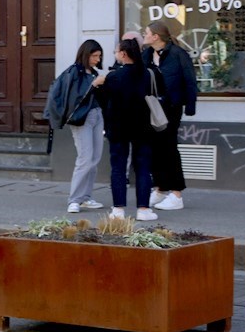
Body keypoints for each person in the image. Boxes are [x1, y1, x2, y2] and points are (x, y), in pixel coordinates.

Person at [97, 38, 158, 221]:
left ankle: (118, 210)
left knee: (118, 168)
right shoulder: (148, 73)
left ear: (123, 54)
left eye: (116, 51)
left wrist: (97, 86)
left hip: (118, 127)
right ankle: (143, 209)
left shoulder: (114, 76)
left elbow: (104, 102)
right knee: (143, 168)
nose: (115, 54)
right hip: (143, 126)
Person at [42, 39, 105, 214]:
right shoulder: (74, 72)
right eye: (94, 56)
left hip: (96, 116)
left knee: (94, 158)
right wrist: (94, 85)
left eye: (99, 56)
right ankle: (75, 199)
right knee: (85, 158)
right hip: (80, 119)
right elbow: (73, 98)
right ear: (86, 55)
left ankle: (86, 197)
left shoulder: (93, 73)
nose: (97, 59)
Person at [145, 18, 197, 211]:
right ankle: (160, 188)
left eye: (146, 33)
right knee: (154, 149)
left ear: (156, 36)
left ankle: (176, 193)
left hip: (172, 107)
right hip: (152, 108)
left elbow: (190, 80)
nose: (144, 35)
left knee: (169, 148)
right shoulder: (147, 54)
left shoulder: (177, 54)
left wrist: (190, 106)